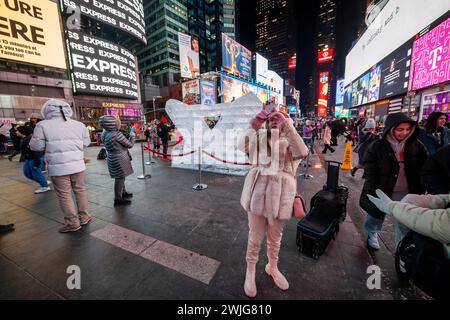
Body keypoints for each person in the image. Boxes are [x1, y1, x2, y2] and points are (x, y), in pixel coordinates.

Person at [238, 103, 309, 298]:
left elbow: (302, 152)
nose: (275, 120)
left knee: (275, 237)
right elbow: (241, 146)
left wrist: (286, 125)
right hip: (257, 192)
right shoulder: (260, 137)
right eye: (272, 118)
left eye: (280, 117)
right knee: (255, 237)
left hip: (282, 195)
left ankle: (272, 266)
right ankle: (250, 270)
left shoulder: (292, 139)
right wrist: (254, 124)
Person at [359, 113, 428, 250]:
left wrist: (423, 186)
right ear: (391, 129)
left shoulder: (417, 145)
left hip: (408, 191)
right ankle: (372, 234)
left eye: (407, 129)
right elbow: (370, 170)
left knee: (405, 221)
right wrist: (372, 189)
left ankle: (402, 248)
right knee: (375, 215)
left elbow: (426, 166)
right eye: (400, 129)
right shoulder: (377, 146)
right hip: (383, 189)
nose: (404, 132)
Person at [30, 99, 92, 233]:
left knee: (64, 195)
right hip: (78, 165)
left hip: (58, 167)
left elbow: (36, 146)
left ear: (47, 110)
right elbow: (86, 143)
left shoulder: (42, 125)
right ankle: (84, 216)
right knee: (80, 190)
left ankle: (72, 223)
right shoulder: (79, 124)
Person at [99, 116, 135, 206]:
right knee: (120, 178)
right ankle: (118, 198)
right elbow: (130, 145)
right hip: (120, 158)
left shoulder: (104, 133)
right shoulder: (116, 134)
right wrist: (132, 137)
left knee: (119, 177)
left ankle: (123, 192)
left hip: (111, 157)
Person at [16, 126, 50, 194]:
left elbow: (37, 150)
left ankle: (45, 186)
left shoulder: (30, 139)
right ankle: (43, 181)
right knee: (27, 173)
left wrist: (37, 161)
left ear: (22, 132)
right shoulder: (24, 139)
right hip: (29, 159)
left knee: (36, 173)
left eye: (17, 131)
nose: (16, 132)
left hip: (35, 158)